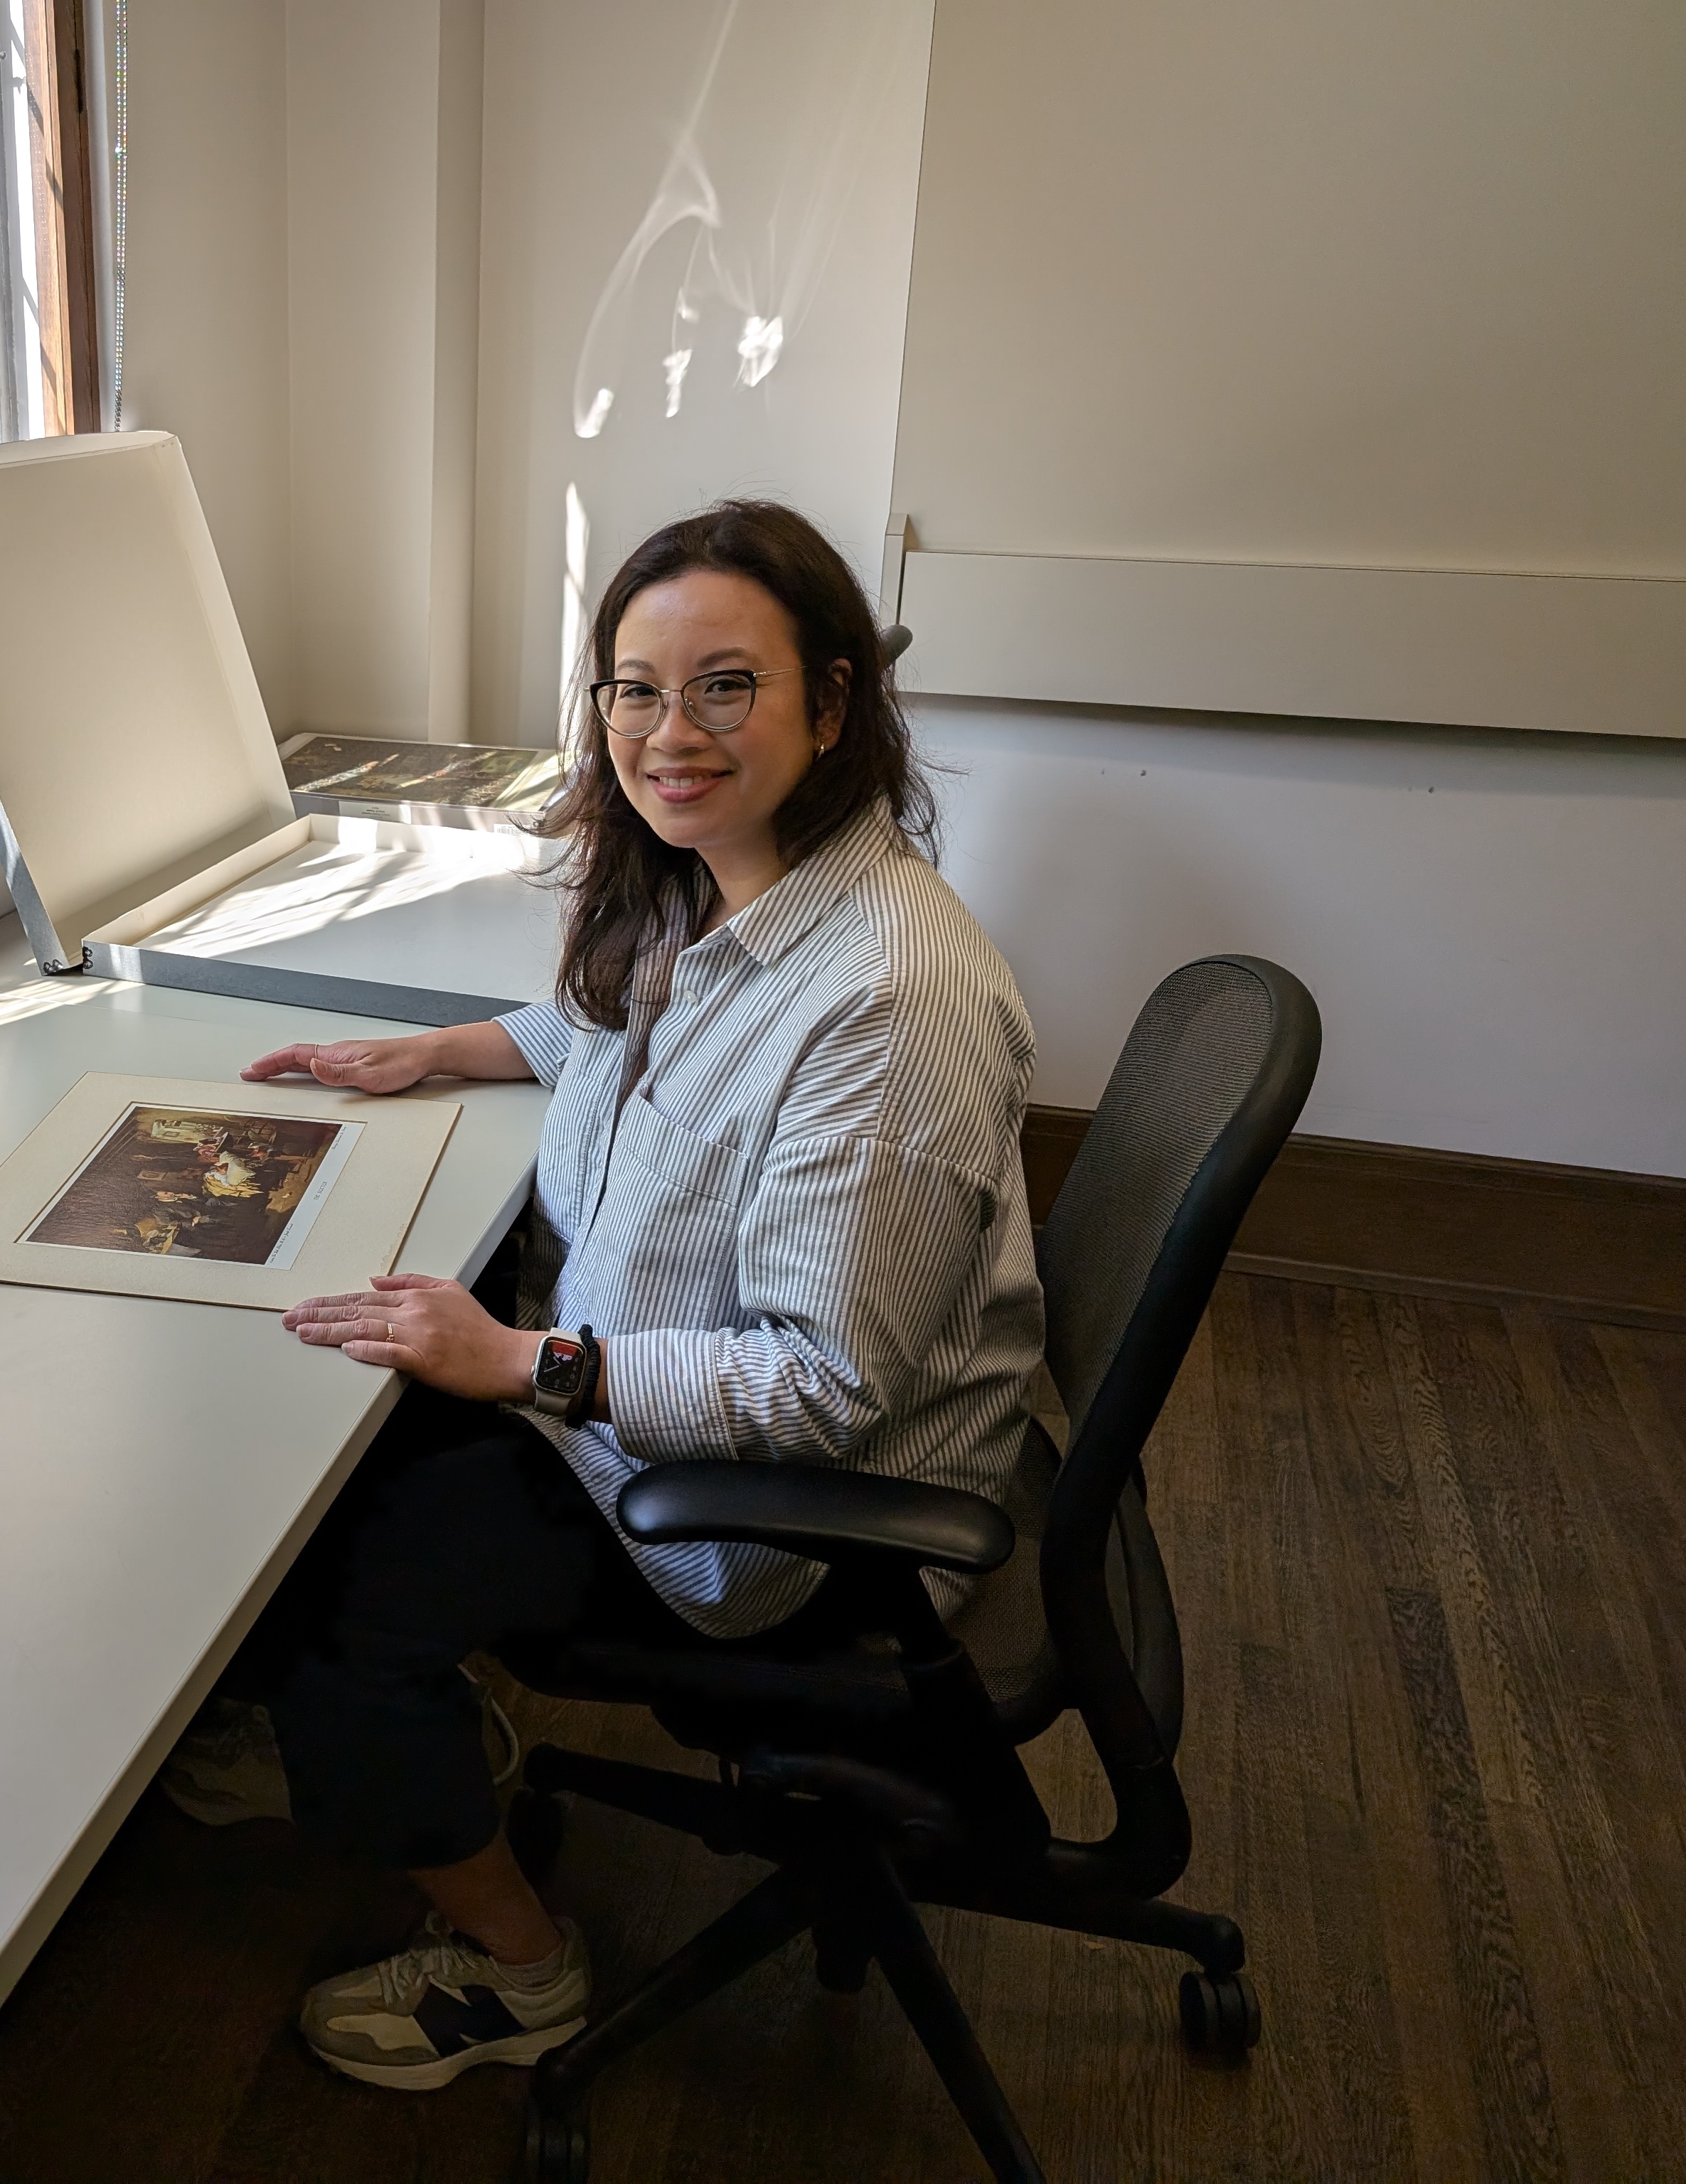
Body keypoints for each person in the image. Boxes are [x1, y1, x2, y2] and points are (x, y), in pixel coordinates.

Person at [165, 499, 1044, 2092]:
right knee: (342, 1471)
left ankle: (520, 1969)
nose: (667, 732)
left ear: (833, 703)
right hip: (629, 1398)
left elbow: (824, 1387)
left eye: (726, 686)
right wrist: (444, 1049)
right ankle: (393, 1738)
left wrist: (522, 1362)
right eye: (633, 689)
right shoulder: (736, 881)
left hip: (767, 1509)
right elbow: (628, 1026)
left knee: (336, 1590)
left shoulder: (891, 1001)